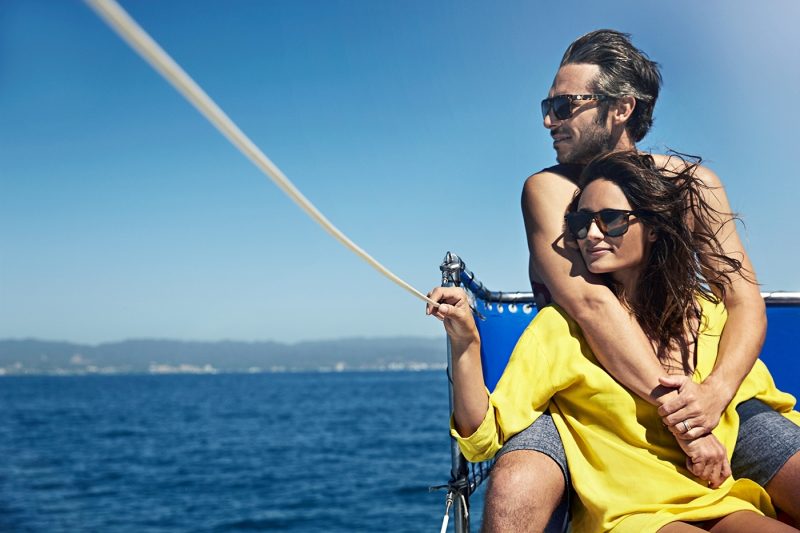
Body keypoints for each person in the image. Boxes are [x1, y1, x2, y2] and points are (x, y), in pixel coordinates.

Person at [482, 29, 800, 532]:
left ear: (622, 107)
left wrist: (714, 394)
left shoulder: (692, 184)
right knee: (513, 487)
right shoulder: (547, 190)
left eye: (565, 106)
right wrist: (688, 424)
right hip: (585, 395)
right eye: (547, 105)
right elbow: (593, 306)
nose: (548, 120)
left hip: (710, 395)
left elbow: (743, 302)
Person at [427, 150, 800, 532]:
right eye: (580, 221)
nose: (590, 234)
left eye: (611, 220)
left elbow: (763, 398)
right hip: (633, 515)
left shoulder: (708, 315)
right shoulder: (562, 328)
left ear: (653, 227)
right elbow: (481, 439)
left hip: (724, 498)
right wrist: (466, 343)